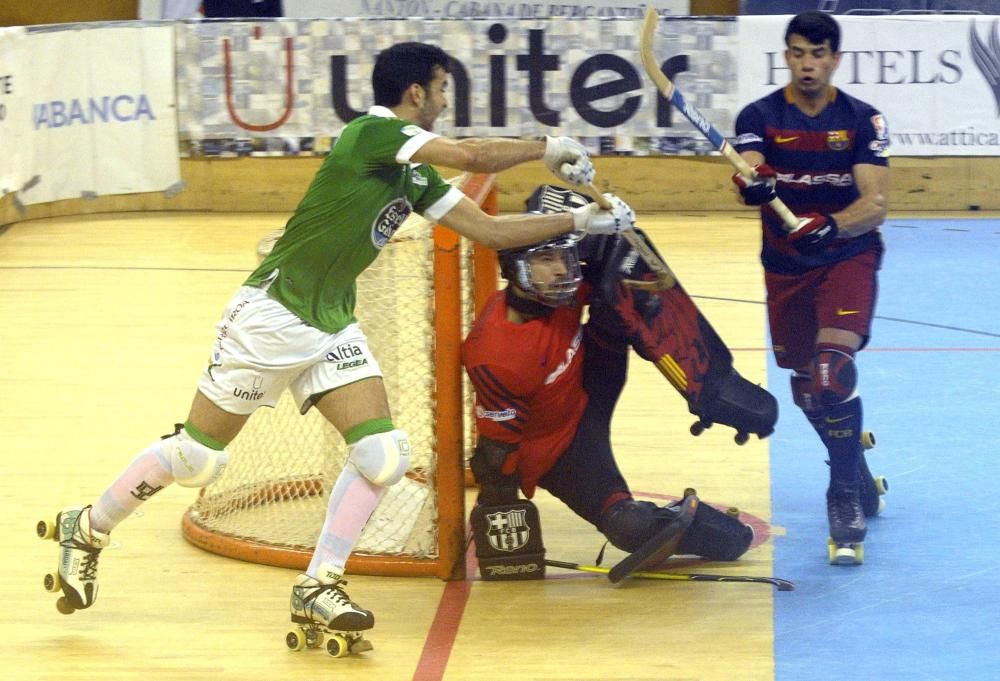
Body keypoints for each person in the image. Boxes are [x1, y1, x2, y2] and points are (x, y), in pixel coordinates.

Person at [39, 41, 637, 646]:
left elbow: (487, 230)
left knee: (383, 455)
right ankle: (86, 528)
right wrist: (550, 147)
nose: (444, 103)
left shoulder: (413, 174)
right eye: (441, 91)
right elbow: (472, 153)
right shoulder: (371, 134)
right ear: (415, 94)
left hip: (330, 323)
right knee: (198, 460)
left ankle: (319, 584)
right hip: (271, 316)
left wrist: (580, 223)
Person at [461, 194, 756, 580]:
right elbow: (497, 451)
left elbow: (618, 265)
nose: (562, 271)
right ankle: (705, 525)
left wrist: (624, 245)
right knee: (628, 526)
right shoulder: (495, 353)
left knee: (617, 293)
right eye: (545, 260)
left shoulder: (559, 293)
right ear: (515, 269)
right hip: (559, 449)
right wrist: (500, 521)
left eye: (565, 258)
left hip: (589, 389)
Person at [730, 11, 890, 565]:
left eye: (818, 54)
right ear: (787, 56)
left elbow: (874, 205)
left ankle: (842, 496)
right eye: (798, 53)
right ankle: (857, 469)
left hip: (846, 256)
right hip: (785, 266)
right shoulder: (760, 116)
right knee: (806, 387)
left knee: (831, 372)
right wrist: (753, 183)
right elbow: (749, 166)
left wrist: (831, 225)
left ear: (835, 60)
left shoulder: (863, 121)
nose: (808, 64)